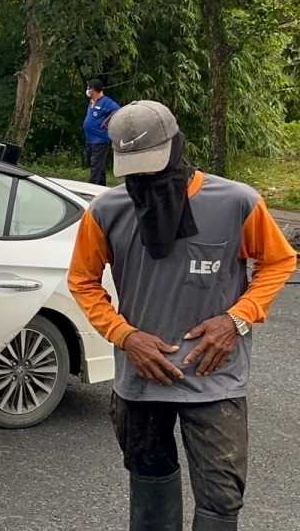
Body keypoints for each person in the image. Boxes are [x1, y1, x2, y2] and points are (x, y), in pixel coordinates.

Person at [67, 100, 295, 531]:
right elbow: (83, 280)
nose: (146, 178)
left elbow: (278, 262)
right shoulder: (107, 211)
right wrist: (124, 334)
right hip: (140, 382)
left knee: (222, 500)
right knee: (149, 485)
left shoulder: (236, 203)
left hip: (215, 379)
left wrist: (237, 319)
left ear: (176, 147)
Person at [84, 78, 121, 186]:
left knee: (95, 165)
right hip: (90, 139)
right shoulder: (91, 101)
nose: (87, 90)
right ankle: (101, 186)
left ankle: (91, 187)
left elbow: (118, 110)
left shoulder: (107, 102)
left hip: (100, 139)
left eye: (88, 88)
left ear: (93, 90)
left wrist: (108, 122)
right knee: (99, 165)